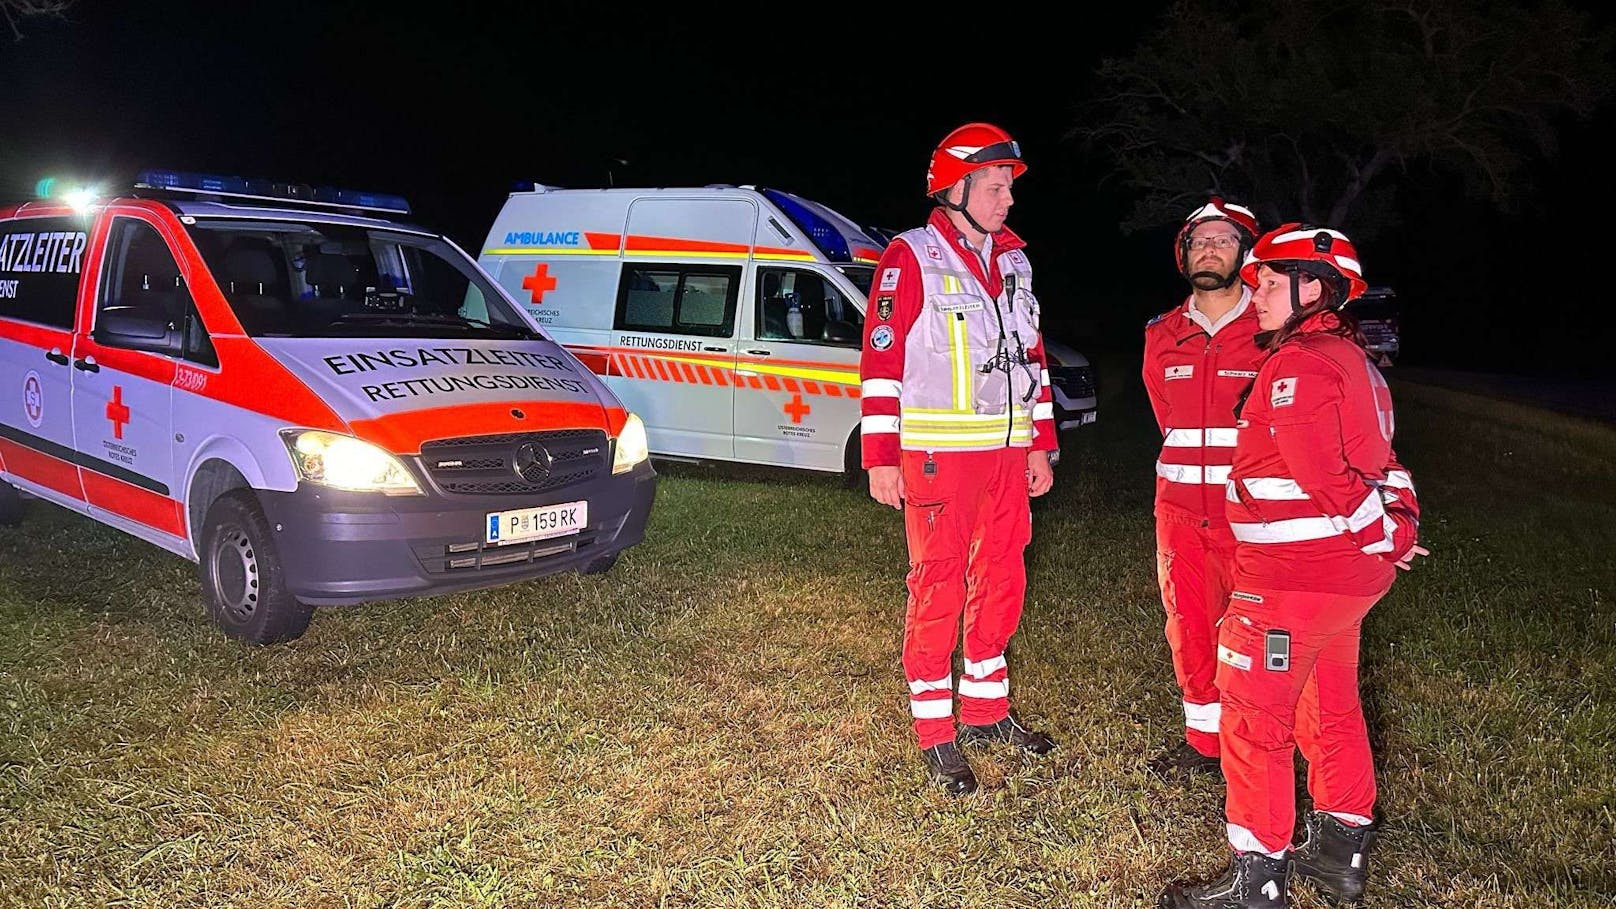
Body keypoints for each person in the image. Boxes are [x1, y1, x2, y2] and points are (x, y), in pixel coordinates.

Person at [1160, 224, 1429, 908]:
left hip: (1291, 582)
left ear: (1317, 288)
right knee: (1331, 704)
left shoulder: (1299, 363)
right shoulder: (1354, 357)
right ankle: (1340, 854)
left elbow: (1327, 477)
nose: (1256, 296)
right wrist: (1392, 536)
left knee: (1253, 719)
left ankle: (1260, 883)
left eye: (1271, 284)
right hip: (1340, 584)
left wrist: (1384, 536)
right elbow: (1386, 469)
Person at [858, 121, 1059, 796]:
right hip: (941, 458)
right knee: (939, 583)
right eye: (996, 187)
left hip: (1006, 456)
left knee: (1002, 577)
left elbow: (1033, 358)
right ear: (956, 187)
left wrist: (1040, 443)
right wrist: (881, 455)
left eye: (1008, 188)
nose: (1008, 200)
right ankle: (935, 733)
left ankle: (986, 710)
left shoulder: (1014, 261)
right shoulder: (909, 256)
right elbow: (882, 362)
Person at [1142, 197, 1266, 781]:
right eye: (1199, 241)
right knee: (1188, 624)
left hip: (1253, 515)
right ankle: (1203, 743)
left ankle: (1259, 742)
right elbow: (1166, 419)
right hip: (1181, 514)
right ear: (1183, 255)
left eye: (1222, 240)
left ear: (1244, 254)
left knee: (1258, 631)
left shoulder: (1271, 331)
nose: (1208, 250)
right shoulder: (1162, 334)